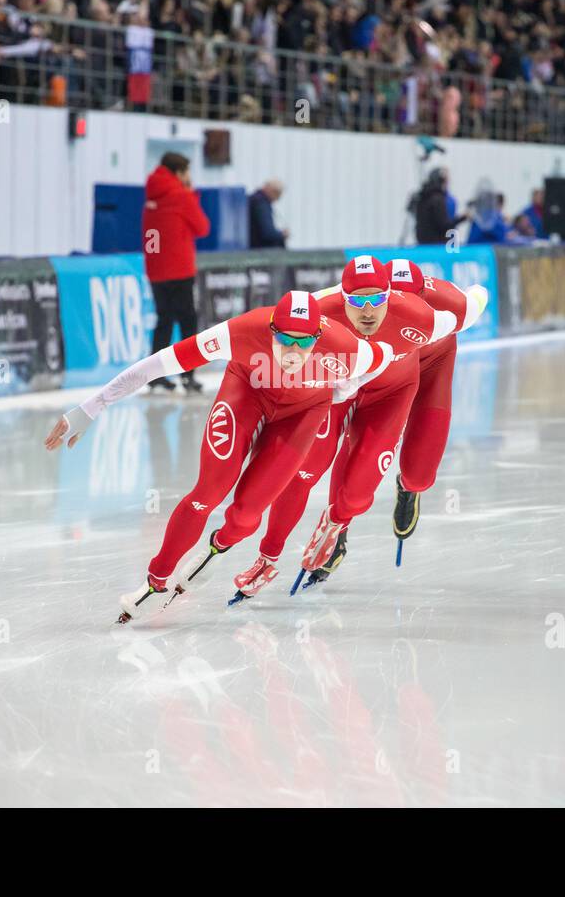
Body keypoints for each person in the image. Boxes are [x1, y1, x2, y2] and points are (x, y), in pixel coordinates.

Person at [43, 290, 395, 623]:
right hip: (248, 393)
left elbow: (383, 358)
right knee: (209, 493)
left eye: (304, 342)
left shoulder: (348, 349)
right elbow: (157, 366)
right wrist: (91, 408)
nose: (294, 350)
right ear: (271, 329)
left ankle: (220, 546)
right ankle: (156, 579)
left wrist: (344, 389)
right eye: (285, 339)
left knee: (246, 515)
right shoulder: (240, 331)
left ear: (318, 337)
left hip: (302, 413)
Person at [244, 256, 489, 594]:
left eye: (390, 301)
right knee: (310, 465)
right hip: (351, 379)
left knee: (418, 475)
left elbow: (478, 296)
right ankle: (329, 532)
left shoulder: (442, 309)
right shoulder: (339, 304)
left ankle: (402, 489)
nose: (375, 311)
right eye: (365, 301)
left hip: (419, 370)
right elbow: (280, 322)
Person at [385, 259, 472, 560]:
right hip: (387, 375)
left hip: (433, 366)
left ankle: (408, 488)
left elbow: (478, 298)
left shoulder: (453, 303)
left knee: (420, 476)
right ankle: (338, 528)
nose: (406, 312)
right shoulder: (364, 304)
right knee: (356, 465)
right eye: (397, 303)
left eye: (413, 302)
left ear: (425, 295)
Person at [143, 152, 210, 393]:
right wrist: (192, 194)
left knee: (164, 320)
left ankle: (154, 376)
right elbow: (202, 227)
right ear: (179, 173)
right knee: (187, 322)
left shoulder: (152, 195)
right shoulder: (181, 196)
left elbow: (151, 236)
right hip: (180, 269)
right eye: (188, 172)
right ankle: (188, 375)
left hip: (156, 270)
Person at [414, 168, 467, 245]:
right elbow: (444, 225)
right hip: (436, 246)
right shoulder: (437, 199)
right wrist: (463, 218)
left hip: (423, 245)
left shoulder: (423, 197)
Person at [248, 179, 288, 248]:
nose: (277, 198)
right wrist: (282, 234)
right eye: (277, 193)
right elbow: (267, 233)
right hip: (259, 248)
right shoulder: (261, 204)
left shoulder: (254, 199)